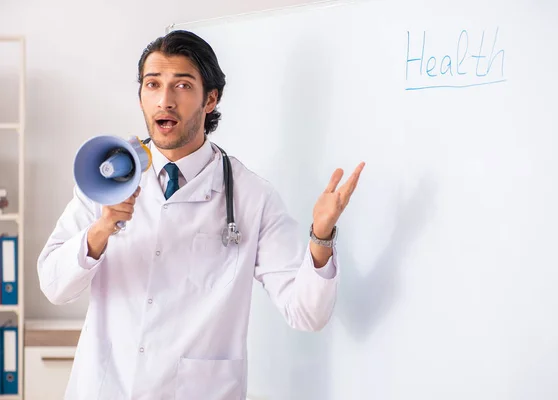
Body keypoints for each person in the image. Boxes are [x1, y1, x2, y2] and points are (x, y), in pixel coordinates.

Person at [37, 30, 365, 400]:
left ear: (210, 99)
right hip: (106, 388)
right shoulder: (104, 180)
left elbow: (307, 313)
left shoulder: (251, 196)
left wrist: (321, 236)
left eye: (182, 85)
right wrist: (100, 230)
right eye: (152, 84)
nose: (164, 100)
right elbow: (54, 285)